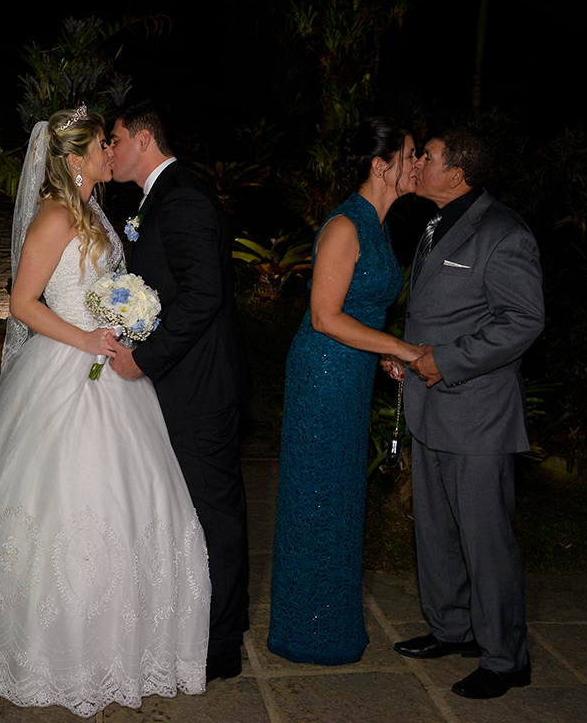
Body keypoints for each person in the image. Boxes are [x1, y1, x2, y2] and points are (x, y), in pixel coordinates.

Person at [0, 107, 211, 717]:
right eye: (100, 148)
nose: (110, 154)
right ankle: (54, 645)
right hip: (67, 365)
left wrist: (123, 316)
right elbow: (22, 302)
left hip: (111, 365)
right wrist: (84, 337)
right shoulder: (56, 215)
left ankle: (123, 641)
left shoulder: (95, 213)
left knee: (132, 494)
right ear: (74, 160)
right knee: (63, 500)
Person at [390, 126, 544, 699]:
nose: (418, 165)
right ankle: (452, 629)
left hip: (477, 414)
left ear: (456, 174)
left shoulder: (503, 232)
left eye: (425, 158)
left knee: (485, 540)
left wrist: (445, 361)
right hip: (429, 407)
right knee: (434, 532)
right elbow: (439, 311)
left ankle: (506, 658)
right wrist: (409, 357)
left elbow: (523, 321)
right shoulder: (435, 223)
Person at [268, 118, 423, 664]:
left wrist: (379, 350)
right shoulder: (344, 226)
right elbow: (325, 316)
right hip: (323, 377)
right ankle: (304, 629)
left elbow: (358, 306)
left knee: (340, 498)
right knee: (317, 496)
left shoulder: (379, 226)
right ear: (381, 166)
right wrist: (400, 347)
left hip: (352, 375)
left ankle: (329, 622)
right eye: (409, 155)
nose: (417, 163)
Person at [107, 100, 253, 681]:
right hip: (180, 381)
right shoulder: (157, 199)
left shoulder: (184, 198)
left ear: (143, 139)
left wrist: (145, 358)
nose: (111, 151)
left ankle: (221, 647)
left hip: (200, 386)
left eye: (115, 139)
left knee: (215, 511)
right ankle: (200, 622)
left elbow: (203, 295)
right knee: (189, 509)